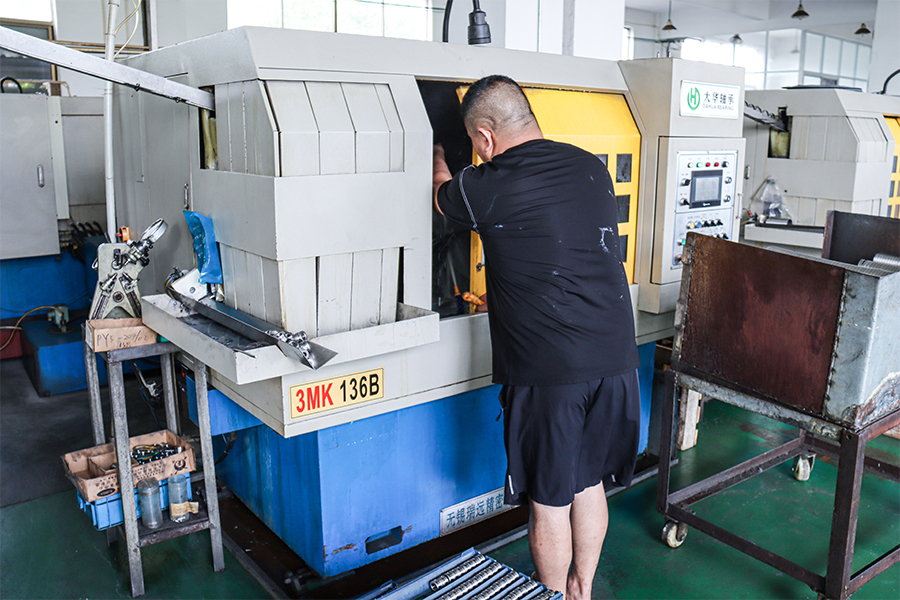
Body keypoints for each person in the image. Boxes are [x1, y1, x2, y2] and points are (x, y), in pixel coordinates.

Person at [432, 75, 641, 600]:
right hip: (617, 358)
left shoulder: (487, 184)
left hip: (552, 371)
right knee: (587, 482)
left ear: (484, 137)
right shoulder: (591, 165)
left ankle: (550, 596)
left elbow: (440, 197)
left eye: (474, 143)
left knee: (549, 500)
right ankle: (581, 589)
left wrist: (435, 152)